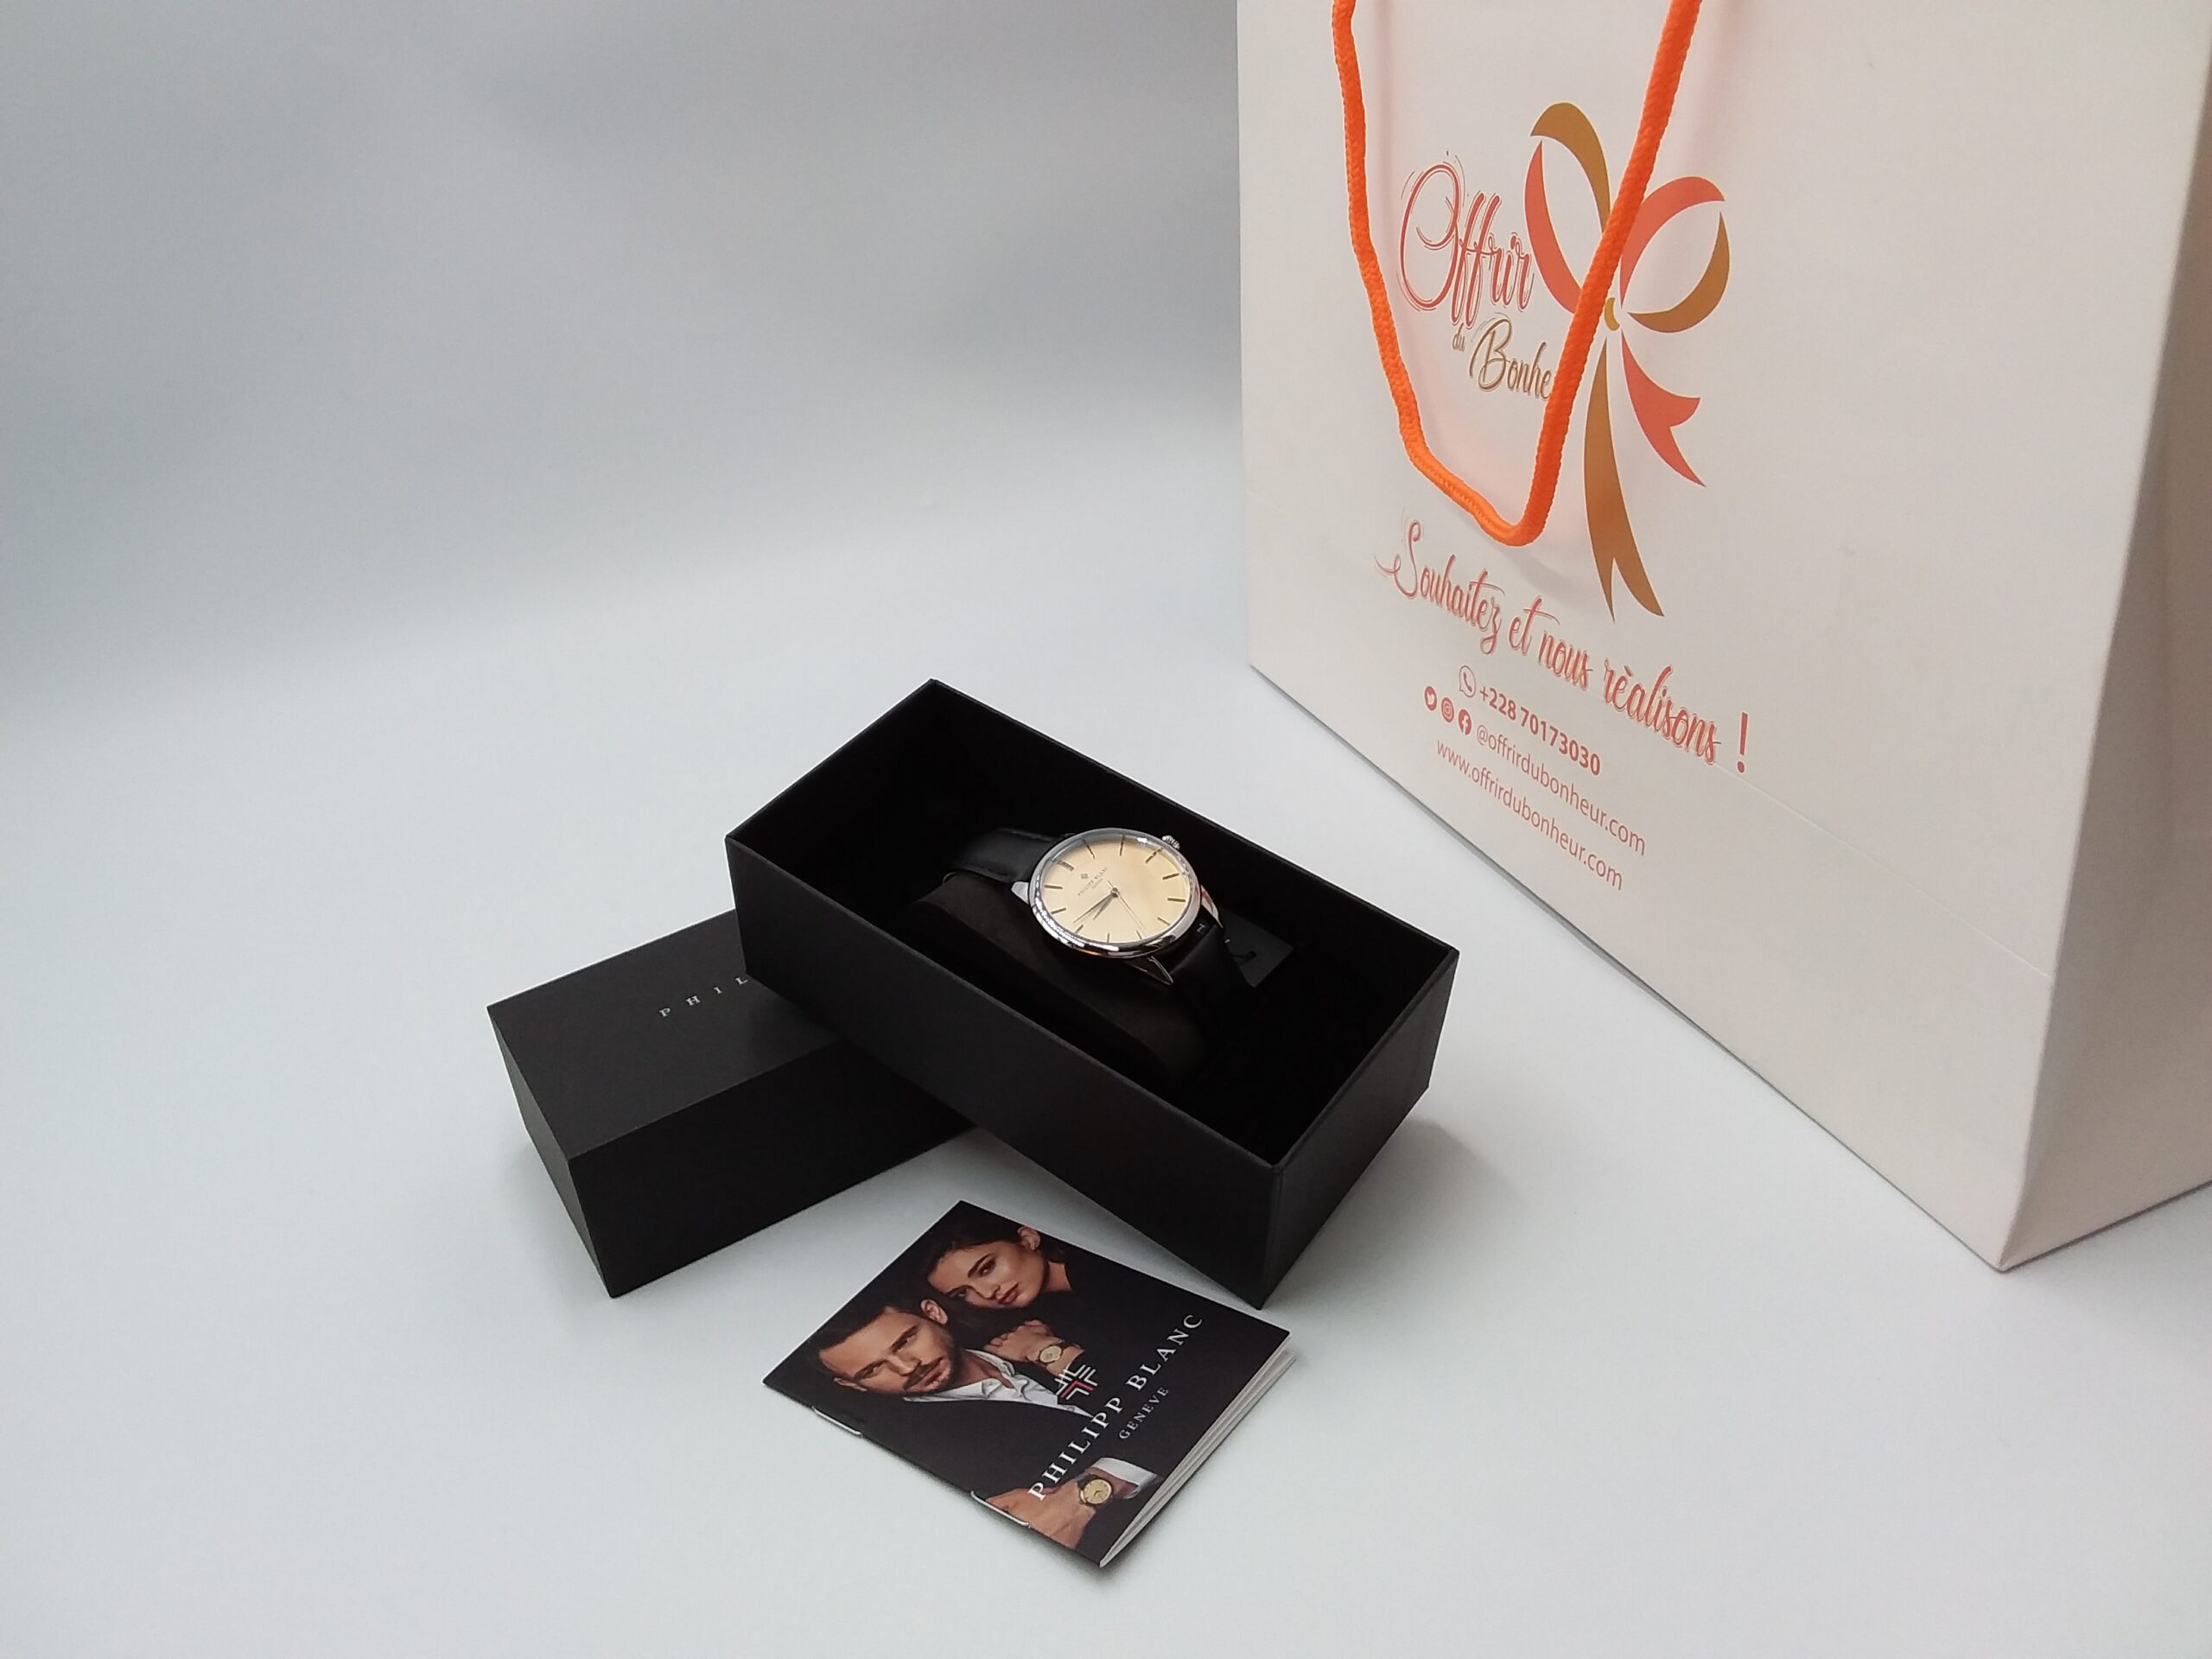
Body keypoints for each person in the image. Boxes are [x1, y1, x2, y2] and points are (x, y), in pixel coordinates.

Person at [806, 1291, 1154, 1550]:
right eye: (872, 1370)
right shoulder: (928, 1454)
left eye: (906, 1341)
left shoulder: (1043, 1321)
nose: (908, 1367)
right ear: (853, 1386)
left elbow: (1179, 1379)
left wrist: (1049, 1351)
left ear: (933, 1313)